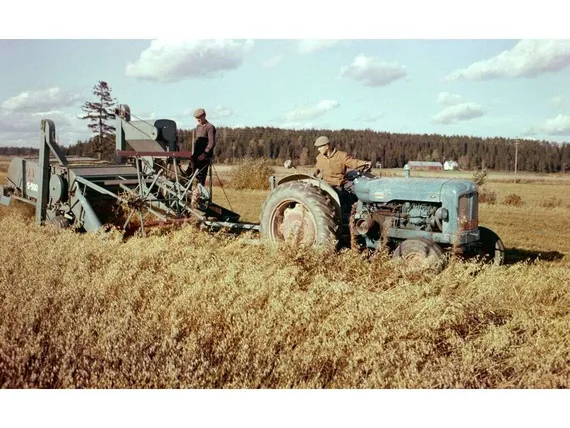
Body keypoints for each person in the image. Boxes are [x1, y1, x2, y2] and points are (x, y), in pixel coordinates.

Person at [189, 108, 216, 186]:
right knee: (190, 173)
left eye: (199, 118)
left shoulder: (210, 127)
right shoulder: (198, 126)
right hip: (196, 154)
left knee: (201, 176)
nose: (198, 120)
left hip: (204, 156)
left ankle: (200, 194)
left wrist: (204, 154)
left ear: (204, 116)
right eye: (196, 118)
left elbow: (211, 142)